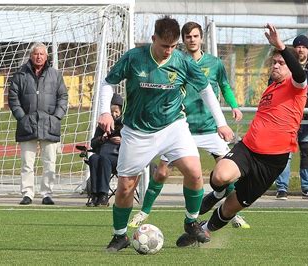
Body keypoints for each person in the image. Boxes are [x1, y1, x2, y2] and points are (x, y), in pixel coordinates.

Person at [97, 16, 234, 252]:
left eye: (172, 46)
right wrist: (104, 112)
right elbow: (108, 83)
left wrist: (221, 123)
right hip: (137, 131)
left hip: (174, 126)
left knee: (194, 171)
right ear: (153, 39)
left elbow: (206, 90)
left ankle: (191, 222)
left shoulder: (182, 61)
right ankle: (120, 236)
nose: (168, 51)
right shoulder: (133, 58)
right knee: (126, 186)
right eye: (164, 46)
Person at [175, 23, 308, 247]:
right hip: (248, 149)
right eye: (273, 61)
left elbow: (300, 72)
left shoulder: (297, 86)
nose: (275, 65)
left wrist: (281, 46)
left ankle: (202, 232)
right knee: (220, 176)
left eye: (280, 63)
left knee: (231, 208)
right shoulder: (271, 86)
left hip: (272, 161)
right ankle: (216, 194)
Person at [128, 21, 250, 229]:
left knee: (227, 172)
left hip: (210, 128)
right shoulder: (177, 62)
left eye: (195, 36)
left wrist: (234, 106)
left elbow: (224, 86)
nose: (192, 40)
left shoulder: (214, 63)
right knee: (162, 172)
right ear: (182, 40)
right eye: (188, 37)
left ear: (201, 38)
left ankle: (231, 214)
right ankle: (144, 211)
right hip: (182, 127)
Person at [8, 42, 68, 206]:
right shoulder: (20, 75)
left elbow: (63, 97)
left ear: (46, 56)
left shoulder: (56, 75)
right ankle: (27, 193)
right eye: (36, 54)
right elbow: (13, 99)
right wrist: (22, 118)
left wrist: (56, 117)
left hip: (50, 125)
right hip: (27, 125)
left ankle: (47, 193)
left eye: (42, 54)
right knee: (27, 163)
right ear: (31, 55)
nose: (39, 56)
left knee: (50, 162)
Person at [274, 34, 308, 200]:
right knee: (284, 153)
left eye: (303, 46)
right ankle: (282, 188)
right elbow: (274, 86)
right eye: (297, 46)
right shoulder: (283, 65)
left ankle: (307, 187)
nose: (300, 49)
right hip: (287, 119)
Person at [86, 93, 123, 207]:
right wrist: (102, 138)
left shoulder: (125, 125)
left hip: (118, 157)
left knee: (104, 159)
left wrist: (122, 141)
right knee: (94, 158)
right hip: (102, 153)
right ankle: (94, 195)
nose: (114, 114)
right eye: (111, 111)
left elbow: (135, 142)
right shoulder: (102, 125)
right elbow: (93, 143)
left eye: (116, 111)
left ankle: (103, 195)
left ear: (121, 111)